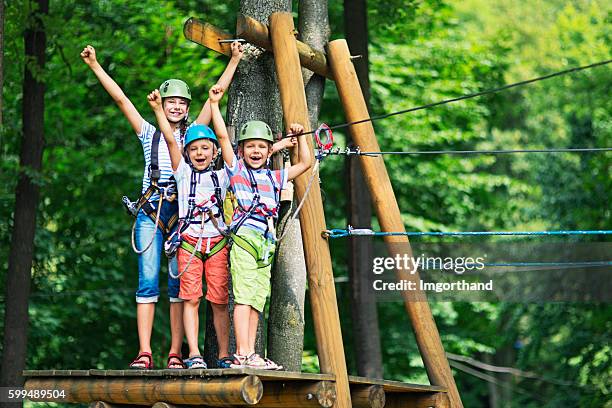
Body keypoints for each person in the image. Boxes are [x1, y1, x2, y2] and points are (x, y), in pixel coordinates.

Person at [80, 42, 243, 369]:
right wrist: (95, 65)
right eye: (171, 102)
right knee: (147, 280)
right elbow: (121, 100)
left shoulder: (197, 135)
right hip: (151, 212)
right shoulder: (149, 133)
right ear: (163, 104)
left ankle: (175, 352)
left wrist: (235, 59)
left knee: (179, 288)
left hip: (184, 217)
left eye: (182, 102)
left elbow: (216, 95)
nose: (177, 107)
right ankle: (144, 351)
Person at [214, 87, 312, 369]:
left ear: (270, 151)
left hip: (265, 244)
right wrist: (214, 102)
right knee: (243, 296)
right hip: (245, 239)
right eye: (250, 146)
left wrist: (301, 136)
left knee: (257, 299)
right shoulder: (237, 171)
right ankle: (243, 352)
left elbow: (305, 162)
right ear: (241, 151)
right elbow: (222, 137)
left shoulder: (275, 177)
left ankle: (251, 353)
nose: (255, 151)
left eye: (261, 147)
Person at [148, 86, 231, 369]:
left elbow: (224, 139)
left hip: (217, 242)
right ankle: (193, 353)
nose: (199, 153)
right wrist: (159, 109)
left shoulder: (224, 175)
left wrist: (216, 104)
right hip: (189, 242)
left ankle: (223, 354)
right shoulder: (182, 173)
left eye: (205, 148)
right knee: (191, 298)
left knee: (219, 300)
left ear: (214, 152)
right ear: (187, 154)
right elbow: (171, 142)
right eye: (194, 149)